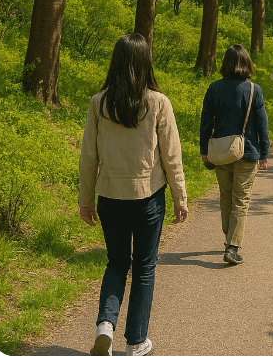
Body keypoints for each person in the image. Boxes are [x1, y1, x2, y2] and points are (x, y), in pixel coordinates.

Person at [79, 33, 188, 358]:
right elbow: (172, 157)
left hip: (109, 196)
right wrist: (180, 196)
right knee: (144, 269)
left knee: (115, 264)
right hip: (148, 199)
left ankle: (105, 327)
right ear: (145, 63)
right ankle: (137, 342)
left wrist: (85, 198)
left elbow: (89, 156)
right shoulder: (158, 102)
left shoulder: (99, 102)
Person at [200, 44, 269, 265]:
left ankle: (229, 239)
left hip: (221, 153)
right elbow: (262, 125)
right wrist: (264, 152)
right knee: (241, 200)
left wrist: (204, 150)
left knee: (226, 197)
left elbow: (205, 122)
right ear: (247, 63)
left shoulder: (214, 88)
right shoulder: (253, 90)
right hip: (247, 152)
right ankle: (232, 246)